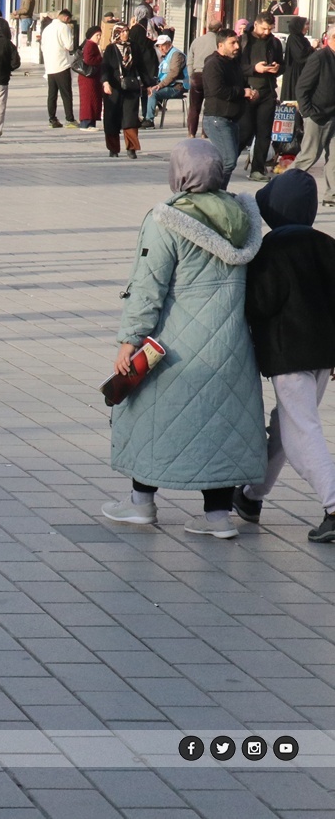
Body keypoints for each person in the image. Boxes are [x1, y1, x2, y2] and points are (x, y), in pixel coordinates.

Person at [101, 139, 265, 539]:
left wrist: (129, 339)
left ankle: (142, 503)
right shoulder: (244, 216)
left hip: (176, 344)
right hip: (231, 346)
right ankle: (218, 517)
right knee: (220, 423)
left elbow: (147, 286)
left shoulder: (166, 220)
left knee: (149, 416)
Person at [233, 170, 335, 541]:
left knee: (300, 432)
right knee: (286, 424)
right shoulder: (327, 244)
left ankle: (333, 504)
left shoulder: (270, 250)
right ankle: (251, 495)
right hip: (323, 355)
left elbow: (261, 303)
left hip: (288, 353)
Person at [201, 28, 253, 186]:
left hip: (232, 119)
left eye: (237, 42)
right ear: (220, 45)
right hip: (217, 119)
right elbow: (218, 90)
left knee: (227, 160)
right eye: (232, 43)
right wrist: (242, 92)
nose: (237, 46)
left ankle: (218, 194)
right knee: (228, 160)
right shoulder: (213, 64)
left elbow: (240, 83)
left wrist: (250, 91)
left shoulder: (233, 63)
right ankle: (214, 194)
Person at [237, 12, 284, 182]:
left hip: (267, 92)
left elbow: (283, 64)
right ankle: (228, 162)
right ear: (256, 24)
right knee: (245, 131)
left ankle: (258, 169)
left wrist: (277, 68)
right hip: (248, 92)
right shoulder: (243, 41)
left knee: (264, 133)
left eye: (270, 29)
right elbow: (236, 68)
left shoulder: (275, 43)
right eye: (264, 28)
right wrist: (254, 69)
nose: (266, 32)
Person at [292, 22, 335, 204]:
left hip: (334, 116)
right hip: (318, 115)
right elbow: (302, 87)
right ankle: (284, 187)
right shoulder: (320, 58)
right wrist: (308, 112)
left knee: (334, 158)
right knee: (309, 155)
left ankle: (332, 195)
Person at [101, 24, 144, 159]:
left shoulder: (134, 47)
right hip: (113, 88)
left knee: (130, 118)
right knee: (111, 118)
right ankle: (113, 149)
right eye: (123, 31)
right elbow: (105, 68)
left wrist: (148, 84)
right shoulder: (110, 49)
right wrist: (105, 82)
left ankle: (131, 148)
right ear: (117, 33)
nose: (126, 33)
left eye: (127, 31)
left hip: (130, 88)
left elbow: (142, 66)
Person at [186, 19, 222, 138]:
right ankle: (205, 133)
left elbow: (190, 60)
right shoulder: (219, 42)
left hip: (197, 75)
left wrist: (191, 75)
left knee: (194, 106)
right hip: (211, 76)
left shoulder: (197, 41)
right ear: (219, 29)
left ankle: (191, 132)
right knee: (209, 106)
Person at [42, 9, 77, 128]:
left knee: (52, 94)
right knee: (66, 94)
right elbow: (69, 46)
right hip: (62, 65)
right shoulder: (64, 27)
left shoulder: (47, 29)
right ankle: (70, 119)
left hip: (50, 65)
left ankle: (52, 119)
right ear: (66, 18)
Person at [143, 34, 187, 128]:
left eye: (163, 45)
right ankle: (145, 117)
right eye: (159, 46)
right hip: (168, 85)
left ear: (169, 44)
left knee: (153, 93)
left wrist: (160, 85)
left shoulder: (176, 55)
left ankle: (149, 120)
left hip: (177, 87)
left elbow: (173, 73)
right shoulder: (166, 55)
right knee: (146, 89)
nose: (161, 48)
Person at [77, 26, 104, 130]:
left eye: (100, 35)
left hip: (90, 78)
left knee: (92, 100)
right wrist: (100, 58)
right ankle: (87, 123)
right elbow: (89, 60)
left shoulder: (90, 44)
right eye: (97, 35)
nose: (99, 37)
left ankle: (90, 123)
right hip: (89, 78)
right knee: (89, 101)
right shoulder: (90, 45)